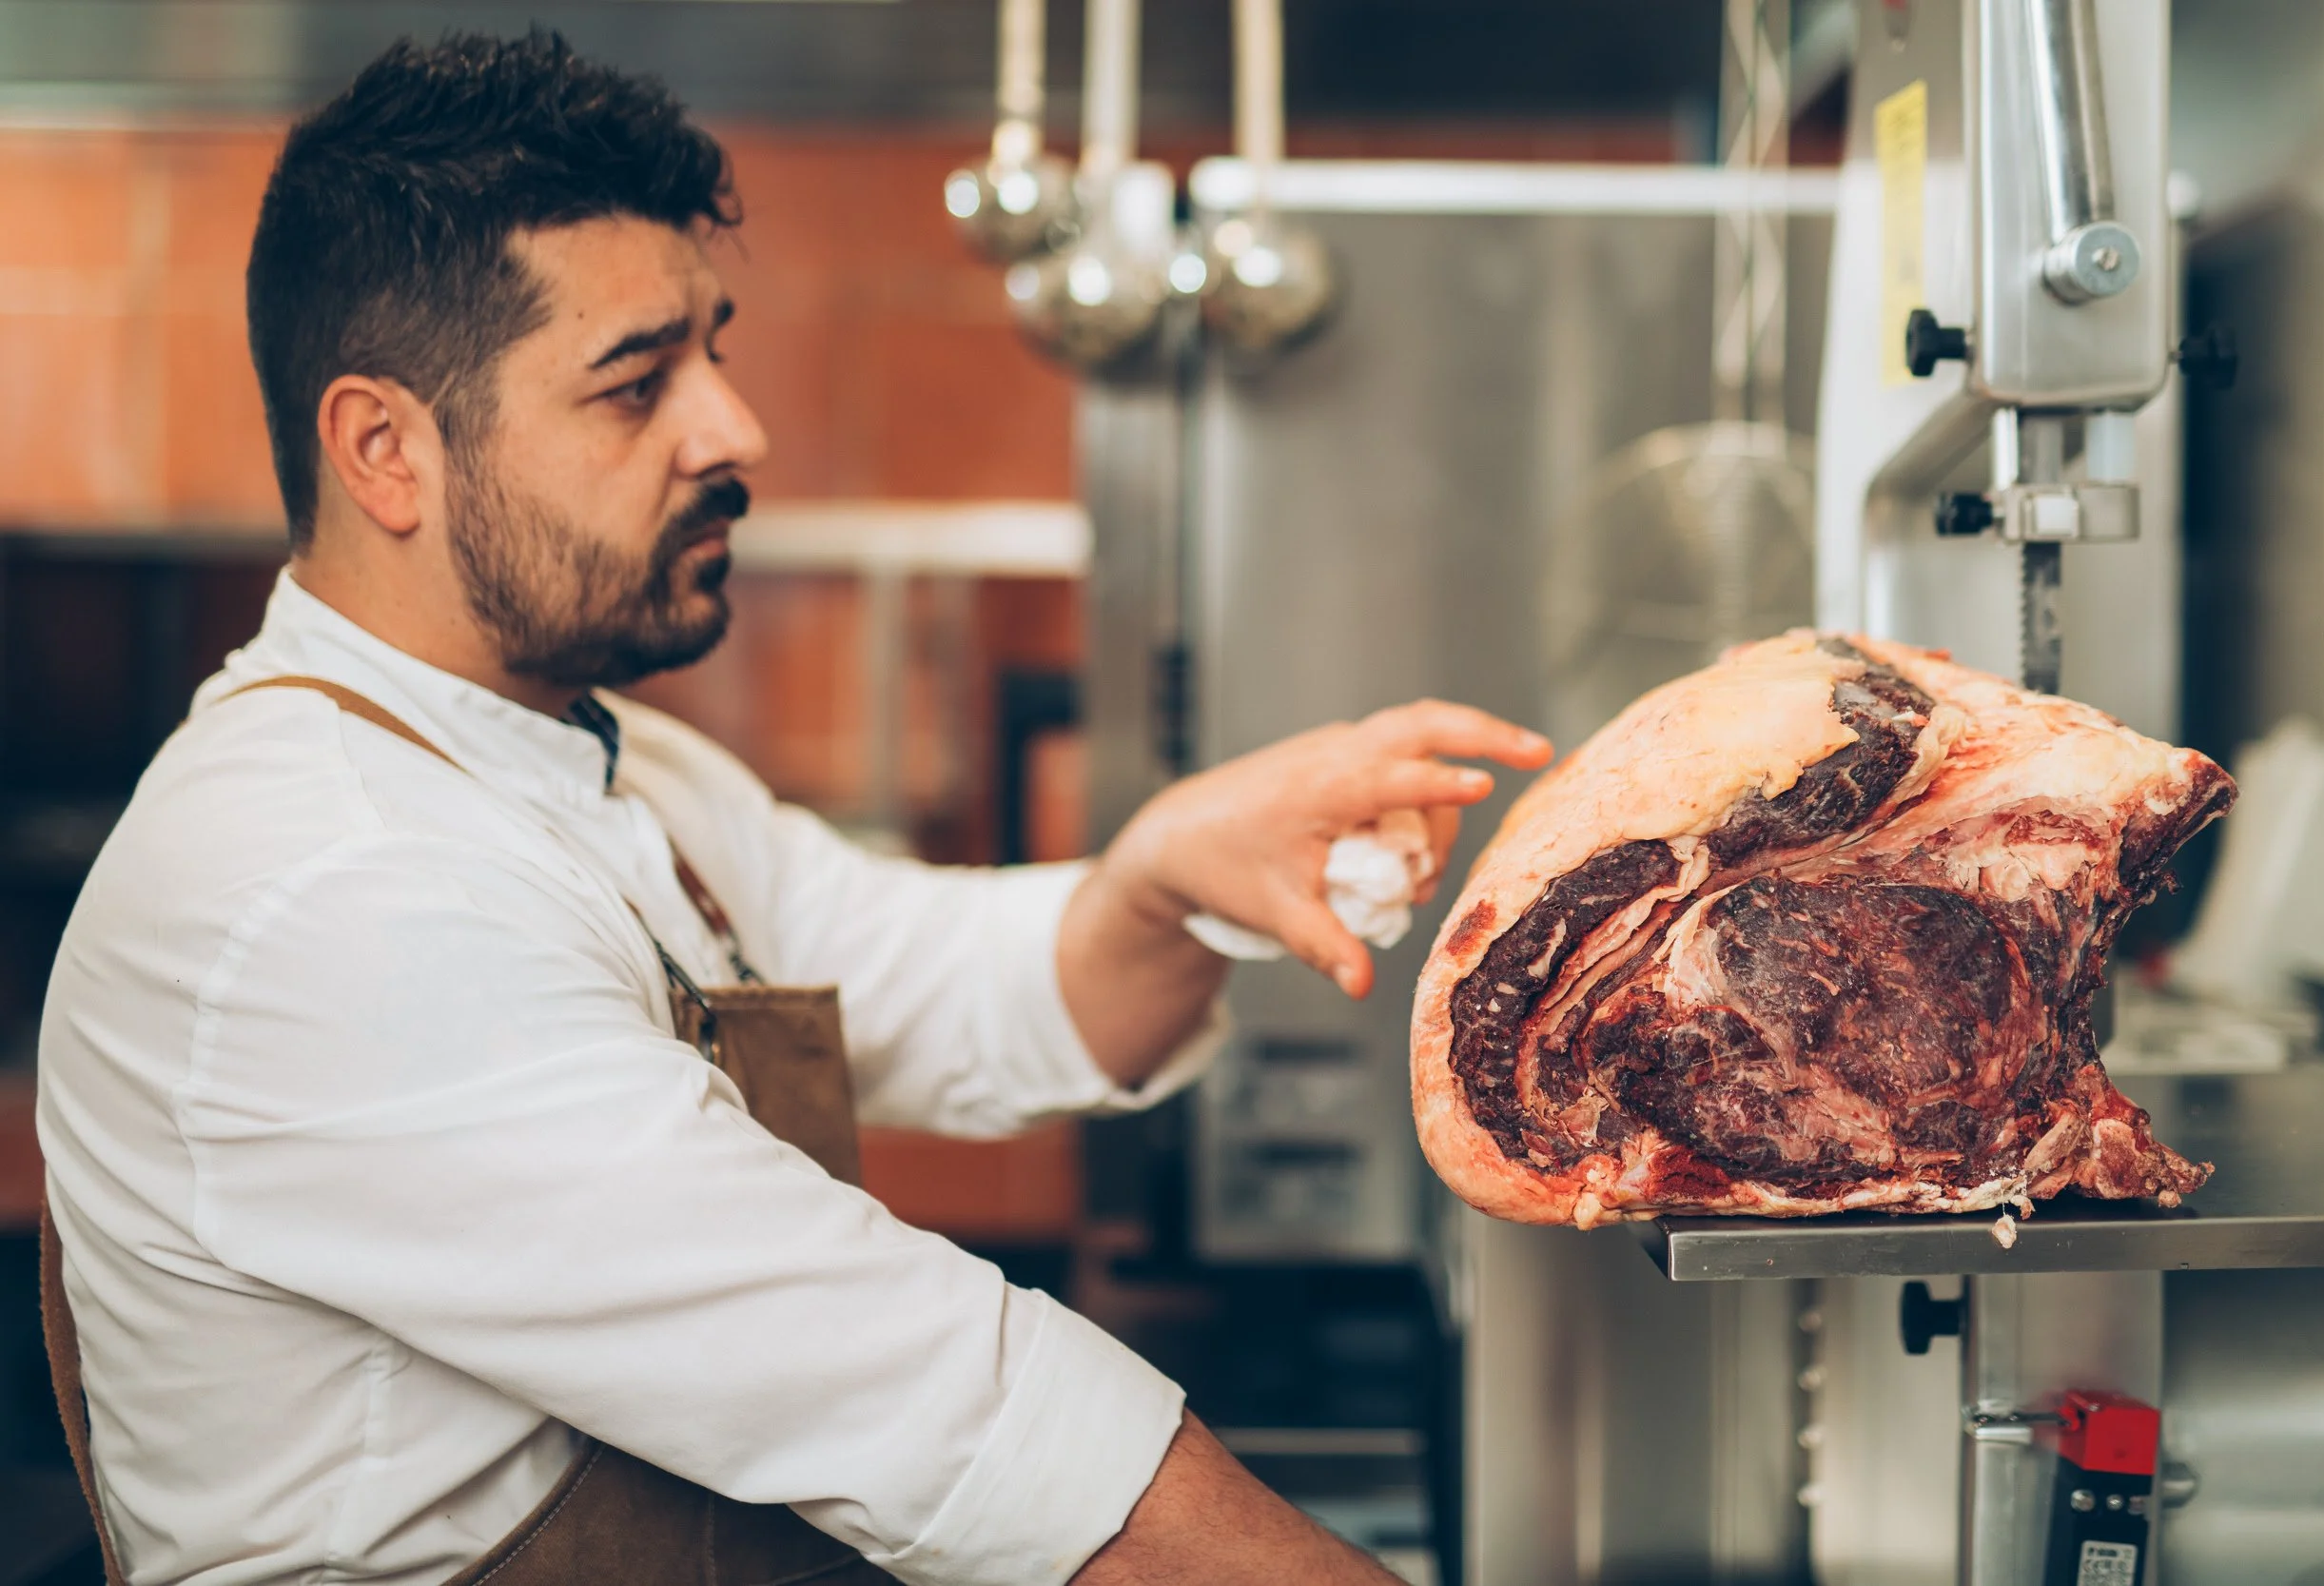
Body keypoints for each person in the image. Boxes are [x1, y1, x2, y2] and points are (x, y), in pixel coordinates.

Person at [35, 30, 1551, 1586]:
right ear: (386, 451)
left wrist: (1163, 875)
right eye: (637, 383)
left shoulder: (589, 755)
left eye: (715, 350)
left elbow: (960, 987)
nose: (734, 431)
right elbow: (934, 1400)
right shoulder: (330, 885)